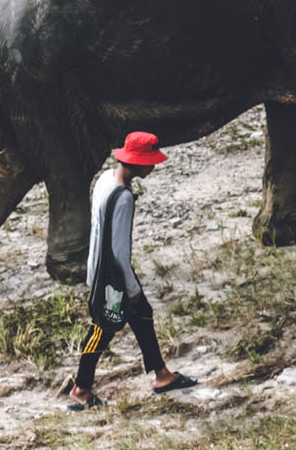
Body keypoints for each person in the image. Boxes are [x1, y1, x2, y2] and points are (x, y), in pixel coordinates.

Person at [66, 131, 196, 411]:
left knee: (142, 316)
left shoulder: (104, 180)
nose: (153, 167)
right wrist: (132, 290)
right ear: (135, 163)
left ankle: (162, 375)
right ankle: (80, 389)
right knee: (102, 329)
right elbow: (119, 252)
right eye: (149, 162)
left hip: (99, 270)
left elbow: (99, 231)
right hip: (113, 278)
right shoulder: (124, 198)